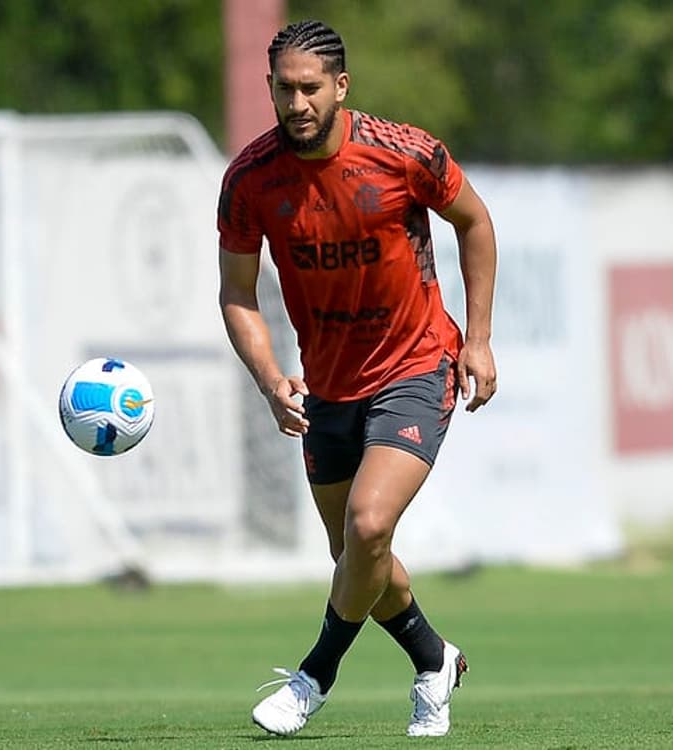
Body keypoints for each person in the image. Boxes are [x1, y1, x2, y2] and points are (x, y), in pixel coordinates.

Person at [216, 18, 498, 739]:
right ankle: (435, 660)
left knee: (370, 525)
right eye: (285, 89)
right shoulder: (252, 181)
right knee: (358, 559)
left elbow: (474, 221)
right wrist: (270, 377)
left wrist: (481, 339)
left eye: (311, 88)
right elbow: (238, 294)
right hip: (328, 386)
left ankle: (314, 676)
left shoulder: (404, 155)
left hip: (417, 362)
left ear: (342, 87)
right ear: (270, 90)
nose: (298, 102)